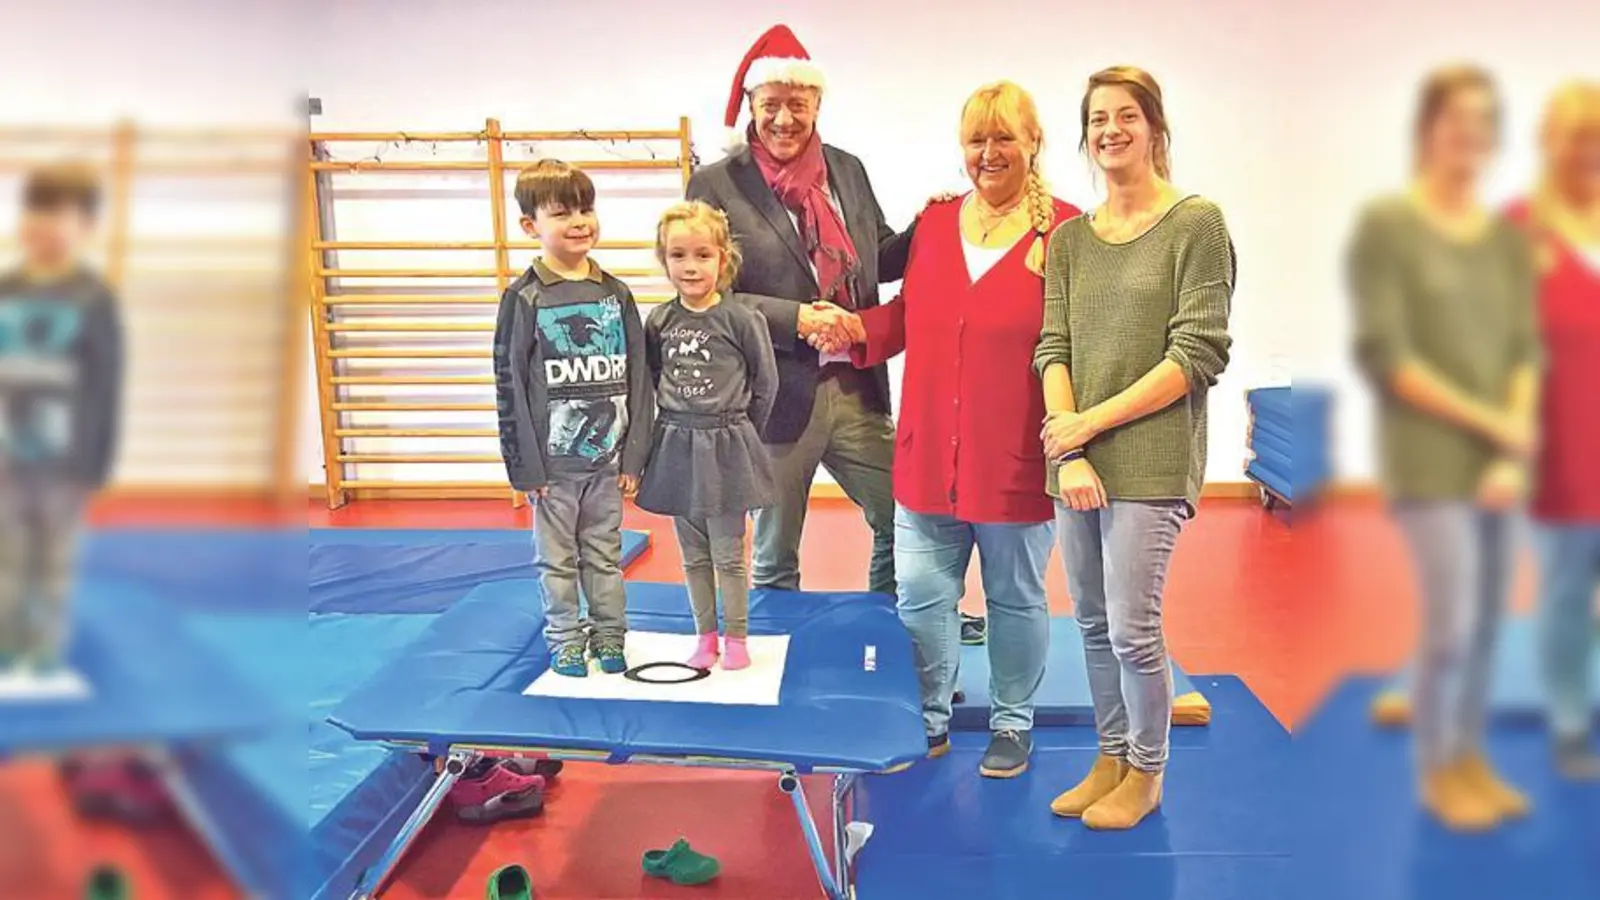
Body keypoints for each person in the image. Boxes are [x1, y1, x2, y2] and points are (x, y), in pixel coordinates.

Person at [811, 81, 1080, 777]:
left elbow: (1082, 343)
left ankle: (1012, 721)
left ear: (1034, 143)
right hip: (929, 454)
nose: (988, 153)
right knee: (923, 598)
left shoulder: (1066, 232)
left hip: (1015, 460)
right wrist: (855, 329)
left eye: (1003, 138)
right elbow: (907, 315)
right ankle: (927, 715)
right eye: (976, 140)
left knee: (1015, 599)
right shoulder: (934, 224)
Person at [1034, 66, 1234, 830]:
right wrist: (1069, 448)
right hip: (1076, 460)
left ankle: (1147, 773)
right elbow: (1053, 347)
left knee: (1131, 629)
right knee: (1089, 622)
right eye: (1097, 119)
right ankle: (1111, 756)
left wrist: (1089, 425)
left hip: (1151, 460)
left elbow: (1197, 353)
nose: (1110, 130)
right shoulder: (1069, 240)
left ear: (1154, 127)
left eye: (1126, 115)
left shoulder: (1196, 224)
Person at [1346, 65, 1541, 831]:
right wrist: (1495, 427)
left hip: (1500, 464)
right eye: (1456, 118)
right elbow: (1390, 358)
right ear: (1429, 128)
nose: (1469, 134)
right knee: (1452, 622)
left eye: (1483, 121)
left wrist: (1510, 450)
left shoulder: (1505, 239)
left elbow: (1523, 351)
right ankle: (1437, 769)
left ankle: (1468, 756)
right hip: (1428, 461)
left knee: (1490, 619)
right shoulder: (1389, 226)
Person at [686, 24, 914, 598]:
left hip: (856, 387)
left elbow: (880, 257)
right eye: (771, 105)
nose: (784, 119)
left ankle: (887, 625)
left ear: (816, 104)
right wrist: (797, 319)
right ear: (751, 106)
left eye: (797, 104)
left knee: (905, 517)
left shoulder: (847, 169)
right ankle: (772, 643)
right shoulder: (716, 184)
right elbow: (709, 297)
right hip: (776, 394)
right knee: (775, 551)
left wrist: (929, 224)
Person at [493, 158, 654, 678]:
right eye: (562, 213)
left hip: (607, 464)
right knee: (557, 560)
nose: (579, 222)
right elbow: (509, 384)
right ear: (530, 225)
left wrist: (634, 454)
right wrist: (525, 468)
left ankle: (610, 633)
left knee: (605, 554)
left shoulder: (615, 294)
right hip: (553, 469)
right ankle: (565, 639)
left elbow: (640, 377)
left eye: (586, 209)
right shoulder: (525, 298)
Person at [637, 201, 779, 671]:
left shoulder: (742, 319)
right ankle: (705, 636)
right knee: (693, 554)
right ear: (664, 260)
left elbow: (765, 383)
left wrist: (741, 434)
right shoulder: (659, 321)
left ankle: (736, 637)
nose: (691, 266)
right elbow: (652, 378)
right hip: (677, 444)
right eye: (678, 255)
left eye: (703, 255)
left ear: (723, 258)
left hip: (726, 445)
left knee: (728, 553)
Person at [0, 160, 123, 697]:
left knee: (53, 562)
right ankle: (9, 648)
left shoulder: (92, 299)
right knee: (7, 558)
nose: (47, 226)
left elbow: (105, 383)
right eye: (38, 213)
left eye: (62, 216)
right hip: (6, 457)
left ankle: (43, 653)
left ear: (85, 227)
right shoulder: (6, 288)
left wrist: (93, 463)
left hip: (63, 460)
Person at [1507, 80, 1600, 779]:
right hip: (1563, 450)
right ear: (1551, 143)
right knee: (1568, 592)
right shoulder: (1521, 229)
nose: (1588, 151)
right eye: (1577, 137)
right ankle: (1570, 724)